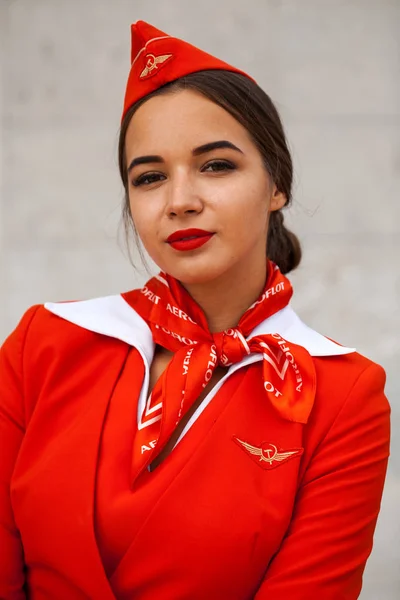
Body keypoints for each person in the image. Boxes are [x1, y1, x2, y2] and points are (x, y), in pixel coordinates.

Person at [0, 20, 390, 600]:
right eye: (150, 177)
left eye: (216, 166)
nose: (180, 201)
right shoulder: (45, 343)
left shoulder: (345, 396)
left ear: (276, 184)